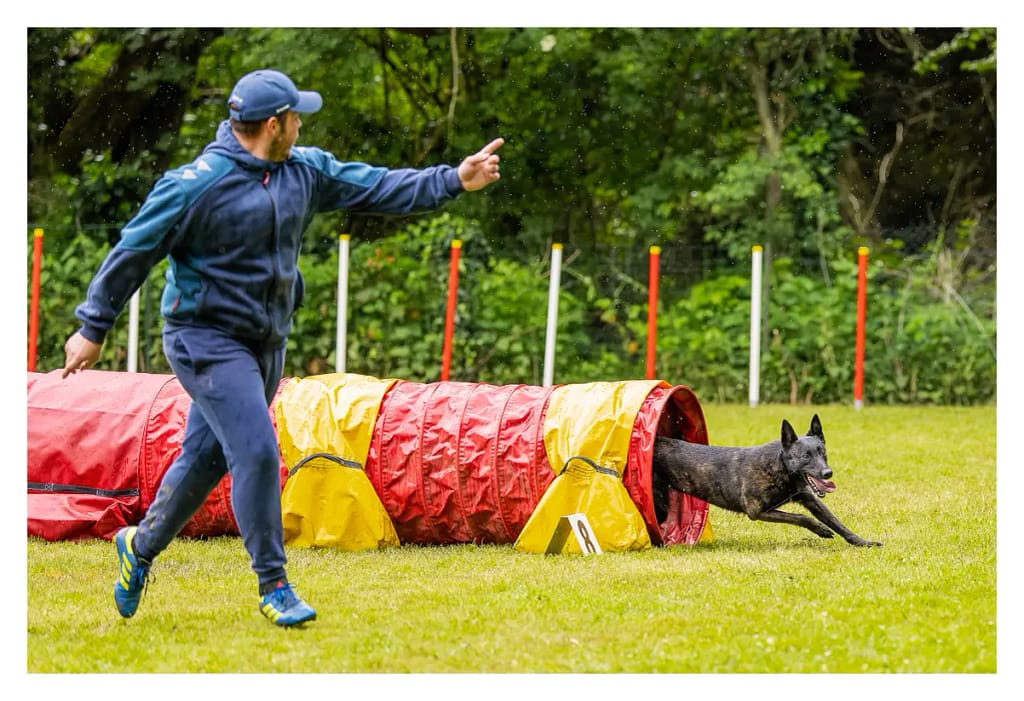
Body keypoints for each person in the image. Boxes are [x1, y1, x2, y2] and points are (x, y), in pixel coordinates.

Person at [61, 68, 504, 627]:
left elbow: (376, 186)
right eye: (296, 116)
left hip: (265, 341)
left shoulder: (303, 170)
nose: (301, 123)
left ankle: (140, 546)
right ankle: (274, 585)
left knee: (205, 457)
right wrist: (92, 327)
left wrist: (452, 180)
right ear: (274, 125)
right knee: (258, 450)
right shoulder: (195, 184)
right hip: (203, 339)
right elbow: (134, 250)